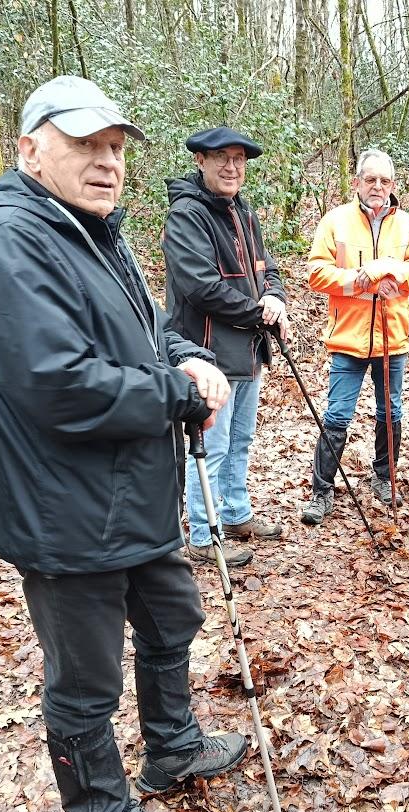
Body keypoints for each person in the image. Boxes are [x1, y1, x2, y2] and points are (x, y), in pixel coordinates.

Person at [0, 75, 249, 812]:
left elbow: (143, 330)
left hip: (133, 491)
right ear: (30, 149)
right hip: (65, 508)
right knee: (84, 676)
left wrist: (183, 354)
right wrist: (175, 392)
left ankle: (172, 745)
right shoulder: (5, 238)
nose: (107, 162)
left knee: (171, 617)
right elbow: (57, 384)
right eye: (85, 144)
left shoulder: (91, 228)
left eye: (115, 147)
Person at [163, 127, 288, 568]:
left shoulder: (243, 211)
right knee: (211, 446)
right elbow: (201, 287)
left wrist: (275, 297)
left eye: (239, 159)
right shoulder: (187, 215)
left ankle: (235, 513)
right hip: (208, 352)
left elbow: (268, 268)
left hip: (249, 349)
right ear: (201, 160)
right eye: (222, 158)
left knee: (240, 439)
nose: (232, 167)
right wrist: (259, 313)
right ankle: (203, 533)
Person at [301, 149, 409, 524]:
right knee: (337, 415)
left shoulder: (407, 225)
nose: (377, 186)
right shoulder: (335, 221)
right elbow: (316, 273)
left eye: (384, 180)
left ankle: (384, 478)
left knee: (391, 411)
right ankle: (321, 492)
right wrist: (358, 281)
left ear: (393, 184)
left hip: (393, 337)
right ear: (356, 182)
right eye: (370, 179)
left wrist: (391, 271)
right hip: (348, 338)